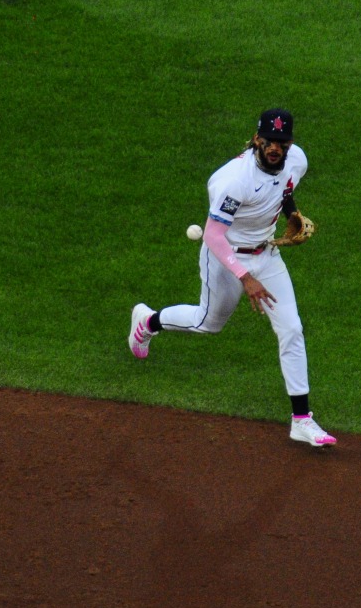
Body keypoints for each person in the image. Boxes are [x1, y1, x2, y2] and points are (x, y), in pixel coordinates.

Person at [127, 108, 336, 447]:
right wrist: (245, 278)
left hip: (266, 255)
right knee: (208, 323)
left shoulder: (297, 160)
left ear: (290, 144)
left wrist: (292, 213)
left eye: (281, 143)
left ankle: (302, 419)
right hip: (225, 257)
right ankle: (148, 322)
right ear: (257, 139)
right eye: (269, 141)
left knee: (292, 329)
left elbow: (283, 188)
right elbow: (213, 235)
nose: (275, 148)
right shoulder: (234, 181)